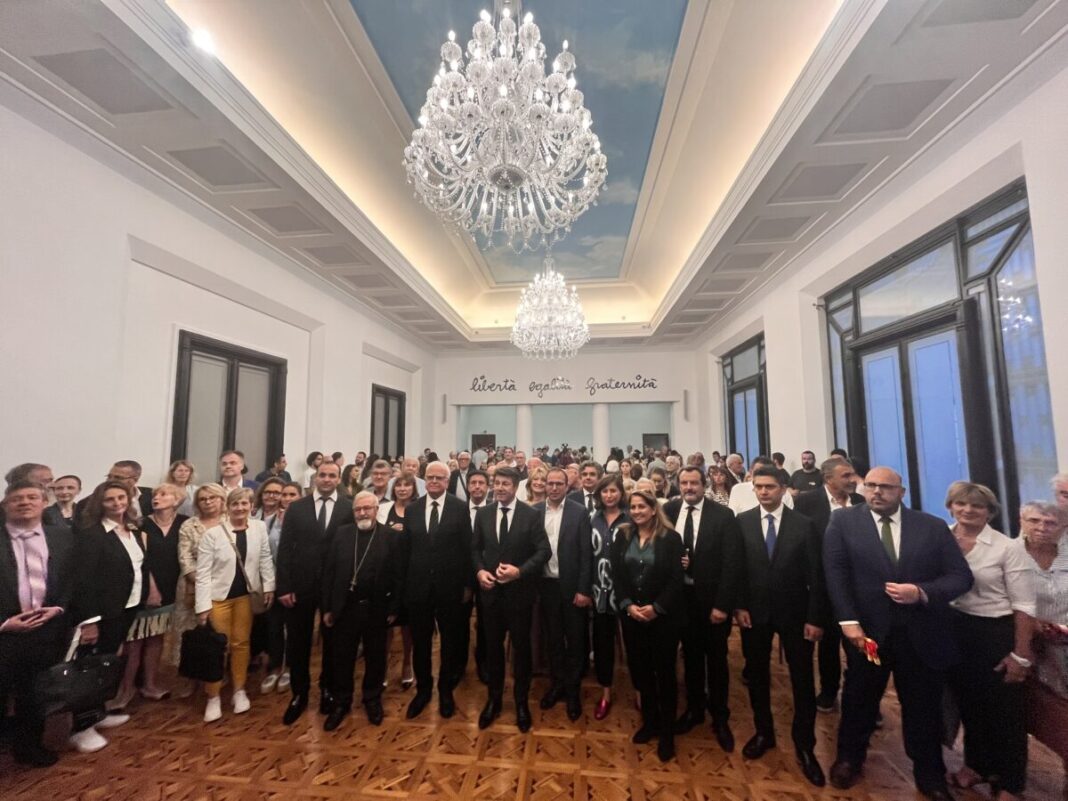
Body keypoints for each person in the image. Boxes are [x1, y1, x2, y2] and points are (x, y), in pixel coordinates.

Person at [823, 467, 973, 801]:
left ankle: (929, 773)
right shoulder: (844, 523)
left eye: (886, 487)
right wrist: (848, 621)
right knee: (860, 697)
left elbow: (960, 577)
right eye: (871, 486)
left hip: (919, 635)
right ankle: (849, 759)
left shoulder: (931, 527)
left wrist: (920, 592)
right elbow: (835, 572)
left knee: (922, 705)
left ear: (901, 492)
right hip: (870, 636)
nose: (877, 492)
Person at [734, 467, 826, 787]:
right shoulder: (742, 522)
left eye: (770, 487)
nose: (763, 492)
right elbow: (737, 569)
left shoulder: (804, 526)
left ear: (784, 489)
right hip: (754, 614)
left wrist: (816, 618)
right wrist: (739, 606)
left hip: (796, 615)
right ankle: (764, 733)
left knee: (801, 681)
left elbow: (817, 576)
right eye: (758, 487)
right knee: (757, 676)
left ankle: (805, 745)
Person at [944, 482, 1035, 801]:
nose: (968, 510)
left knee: (1005, 712)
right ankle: (976, 765)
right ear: (950, 506)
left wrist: (1021, 655)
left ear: (990, 512)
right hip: (954, 630)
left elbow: (1024, 604)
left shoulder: (1007, 547)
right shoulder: (942, 538)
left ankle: (1010, 782)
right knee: (968, 704)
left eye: (977, 506)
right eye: (960, 504)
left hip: (994, 632)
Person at [664, 466, 743, 752]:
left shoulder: (723, 515)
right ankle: (695, 709)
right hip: (680, 600)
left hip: (712, 602)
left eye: (694, 482)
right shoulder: (670, 510)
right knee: (692, 658)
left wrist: (723, 605)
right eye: (683, 482)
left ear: (703, 484)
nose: (688, 487)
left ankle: (720, 716)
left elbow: (732, 563)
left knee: (717, 660)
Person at [0, 480, 79, 766]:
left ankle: (29, 748)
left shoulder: (62, 537)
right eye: (17, 498)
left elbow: (70, 580)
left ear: (44, 502)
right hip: (3, 633)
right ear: (6, 504)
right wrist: (4, 623)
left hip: (45, 632)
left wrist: (57, 608)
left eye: (32, 497)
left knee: (35, 695)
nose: (25, 502)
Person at [472, 466, 550, 732]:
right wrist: (480, 570)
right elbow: (474, 549)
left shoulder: (530, 514)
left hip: (519, 596)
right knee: (493, 650)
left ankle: (520, 702)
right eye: (497, 483)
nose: (500, 487)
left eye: (506, 483)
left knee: (521, 650)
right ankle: (494, 700)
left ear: (516, 487)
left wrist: (520, 572)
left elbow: (543, 551)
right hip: (491, 595)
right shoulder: (483, 514)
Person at [71, 480, 147, 753]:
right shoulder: (92, 534)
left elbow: (135, 569)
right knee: (89, 668)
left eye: (121, 498)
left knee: (107, 664)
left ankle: (98, 713)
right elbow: (83, 580)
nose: (117, 504)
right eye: (110, 500)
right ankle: (81, 727)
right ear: (99, 503)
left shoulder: (132, 530)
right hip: (101, 613)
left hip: (126, 608)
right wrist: (90, 621)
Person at [275, 461, 353, 724]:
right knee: (298, 642)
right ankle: (299, 693)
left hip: (334, 587)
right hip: (300, 585)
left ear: (338, 478)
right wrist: (284, 586)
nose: (327, 479)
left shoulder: (348, 506)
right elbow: (285, 549)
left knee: (332, 642)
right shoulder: (297, 508)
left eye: (332, 475)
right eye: (323, 475)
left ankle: (328, 689)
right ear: (315, 478)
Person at [612, 489, 685, 762]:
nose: (637, 511)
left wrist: (656, 608)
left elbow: (676, 580)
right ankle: (650, 721)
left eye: (643, 506)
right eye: (633, 507)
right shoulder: (623, 535)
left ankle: (666, 732)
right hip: (632, 616)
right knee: (640, 671)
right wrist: (628, 604)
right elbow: (617, 575)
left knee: (664, 674)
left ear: (654, 509)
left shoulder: (670, 538)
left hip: (662, 618)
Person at [398, 462, 473, 719]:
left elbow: (467, 550)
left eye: (439, 478)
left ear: (447, 480)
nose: (433, 481)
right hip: (418, 589)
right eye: (429, 477)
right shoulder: (413, 509)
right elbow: (405, 552)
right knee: (421, 642)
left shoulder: (460, 508)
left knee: (450, 642)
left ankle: (445, 690)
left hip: (450, 588)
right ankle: (423, 690)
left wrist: (467, 586)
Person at [321, 491, 401, 730]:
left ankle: (372, 698)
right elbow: (329, 573)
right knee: (342, 657)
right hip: (345, 608)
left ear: (377, 510)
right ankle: (342, 701)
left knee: (376, 656)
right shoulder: (342, 534)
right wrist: (327, 607)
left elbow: (398, 576)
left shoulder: (389, 537)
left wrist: (394, 606)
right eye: (358, 509)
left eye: (367, 508)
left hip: (377, 607)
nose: (363, 513)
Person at [195, 488, 275, 723]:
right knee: (218, 647)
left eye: (244, 503)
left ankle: (239, 690)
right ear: (227, 507)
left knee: (242, 644)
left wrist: (269, 585)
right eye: (235, 504)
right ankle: (213, 695)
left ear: (251, 505)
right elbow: (203, 572)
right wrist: (202, 606)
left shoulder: (259, 528)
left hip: (245, 597)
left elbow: (265, 558)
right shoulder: (213, 534)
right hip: (218, 598)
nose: (240, 508)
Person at [794, 456, 864, 712]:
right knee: (828, 644)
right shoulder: (806, 502)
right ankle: (829, 690)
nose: (852, 480)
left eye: (853, 474)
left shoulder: (859, 501)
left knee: (865, 645)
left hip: (859, 585)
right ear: (828, 479)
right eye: (845, 475)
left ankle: (865, 695)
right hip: (823, 584)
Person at [115, 483, 188, 708]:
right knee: (135, 642)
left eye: (163, 494)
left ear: (176, 500)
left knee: (156, 639)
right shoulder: (141, 524)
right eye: (155, 494)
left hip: (172, 590)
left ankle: (150, 684)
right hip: (144, 590)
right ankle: (125, 690)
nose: (157, 498)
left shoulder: (184, 523)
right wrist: (151, 588)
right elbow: (140, 561)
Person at [532, 467, 593, 721]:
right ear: (544, 485)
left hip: (572, 587)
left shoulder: (579, 513)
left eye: (559, 483)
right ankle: (556, 683)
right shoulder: (534, 512)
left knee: (576, 640)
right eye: (550, 483)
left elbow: (586, 554)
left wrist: (583, 588)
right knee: (553, 639)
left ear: (568, 486)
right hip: (546, 586)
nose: (554, 487)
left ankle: (573, 689)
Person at [1019, 500, 1068, 771]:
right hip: (1023, 644)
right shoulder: (1009, 553)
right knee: (1029, 711)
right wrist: (1032, 623)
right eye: (1035, 521)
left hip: (1063, 646)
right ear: (1021, 522)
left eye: (1051, 523)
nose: (1042, 528)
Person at [173, 483, 227, 695]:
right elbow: (185, 557)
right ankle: (191, 677)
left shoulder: (230, 522)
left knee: (219, 632)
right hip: (191, 586)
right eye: (203, 499)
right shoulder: (189, 525)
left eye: (212, 498)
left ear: (222, 500)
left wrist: (217, 582)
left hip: (224, 586)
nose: (208, 502)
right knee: (191, 635)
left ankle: (216, 674)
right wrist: (201, 581)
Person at [590, 472, 629, 719]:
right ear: (599, 495)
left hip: (626, 592)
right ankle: (605, 694)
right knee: (602, 645)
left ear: (621, 493)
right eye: (605, 491)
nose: (609, 495)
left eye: (613, 490)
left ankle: (639, 692)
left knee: (634, 645)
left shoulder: (631, 519)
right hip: (598, 591)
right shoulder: (592, 520)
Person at [260, 481, 301, 694]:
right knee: (274, 627)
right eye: (284, 494)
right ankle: (275, 667)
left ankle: (290, 667)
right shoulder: (270, 520)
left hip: (295, 582)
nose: (286, 498)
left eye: (292, 494)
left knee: (293, 629)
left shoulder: (305, 520)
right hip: (273, 581)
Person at [382, 472, 416, 690]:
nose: (402, 489)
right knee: (385, 624)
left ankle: (407, 663)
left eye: (407, 485)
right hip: (387, 574)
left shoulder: (418, 509)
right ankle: (382, 665)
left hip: (411, 572)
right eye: (399, 485)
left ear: (413, 488)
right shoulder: (384, 509)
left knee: (408, 624)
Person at [460, 469, 491, 684]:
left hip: (486, 573)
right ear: (468, 486)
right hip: (461, 575)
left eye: (481, 483)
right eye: (473, 483)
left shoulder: (492, 511)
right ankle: (459, 663)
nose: (477, 486)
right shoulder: (457, 510)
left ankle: (483, 662)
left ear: (487, 487)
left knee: (485, 622)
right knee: (459, 621)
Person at [728, 456, 795, 515]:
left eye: (767, 472)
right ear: (750, 472)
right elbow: (733, 515)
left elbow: (790, 517)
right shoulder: (738, 490)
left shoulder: (783, 492)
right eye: (758, 472)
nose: (762, 475)